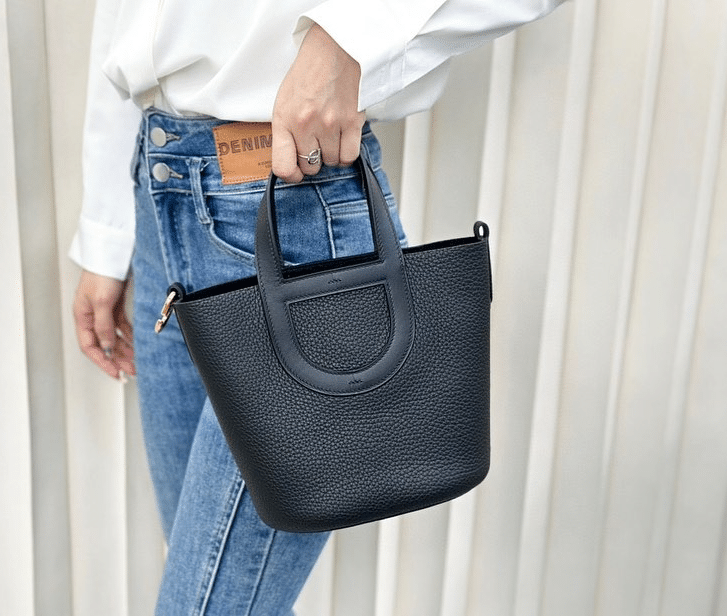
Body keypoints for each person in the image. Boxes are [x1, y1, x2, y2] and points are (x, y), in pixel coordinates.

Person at [70, 0, 563, 613]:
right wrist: (107, 233)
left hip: (296, 198)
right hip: (157, 192)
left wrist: (344, 42)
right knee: (227, 590)